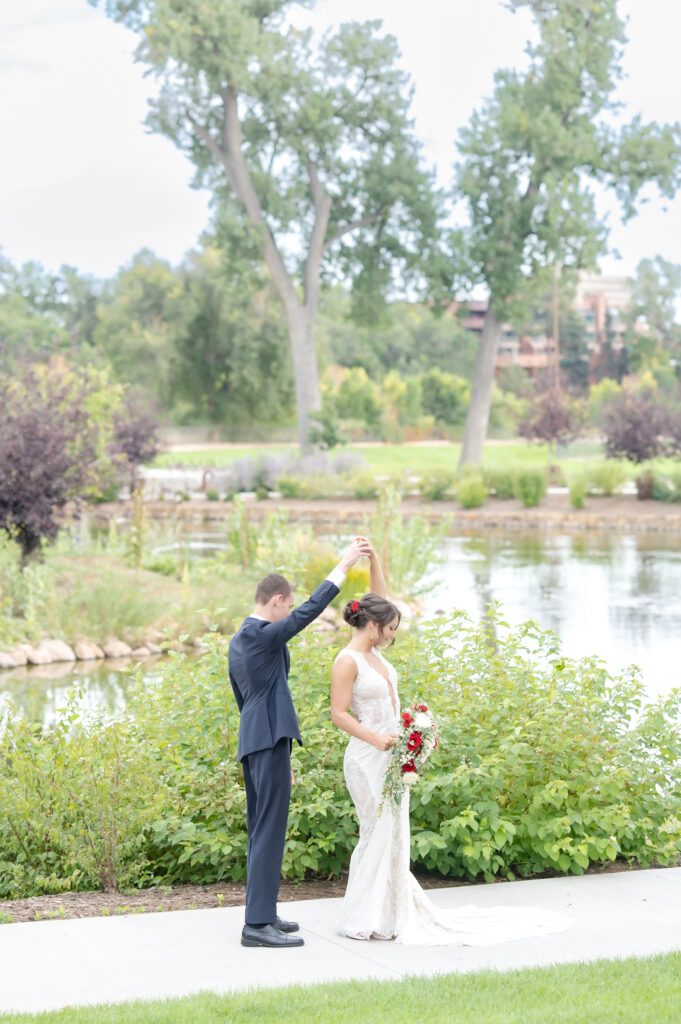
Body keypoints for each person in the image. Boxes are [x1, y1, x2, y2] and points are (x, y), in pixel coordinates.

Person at [331, 542, 572, 945]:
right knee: (375, 832)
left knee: (395, 834)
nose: (391, 638)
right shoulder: (348, 660)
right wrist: (376, 737)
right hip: (366, 757)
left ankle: (389, 915)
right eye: (389, 631)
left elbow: (382, 602)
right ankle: (361, 916)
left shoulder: (374, 649)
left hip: (392, 756)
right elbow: (339, 714)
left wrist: (374, 561)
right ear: (372, 625)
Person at [229, 536, 370, 949]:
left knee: (262, 829)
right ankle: (256, 926)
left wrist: (279, 750)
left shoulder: (240, 640)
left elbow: (247, 700)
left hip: (261, 742)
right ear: (275, 601)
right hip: (266, 741)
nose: (289, 611)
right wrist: (343, 566)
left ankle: (264, 914)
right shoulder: (261, 635)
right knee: (270, 830)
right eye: (286, 604)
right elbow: (307, 613)